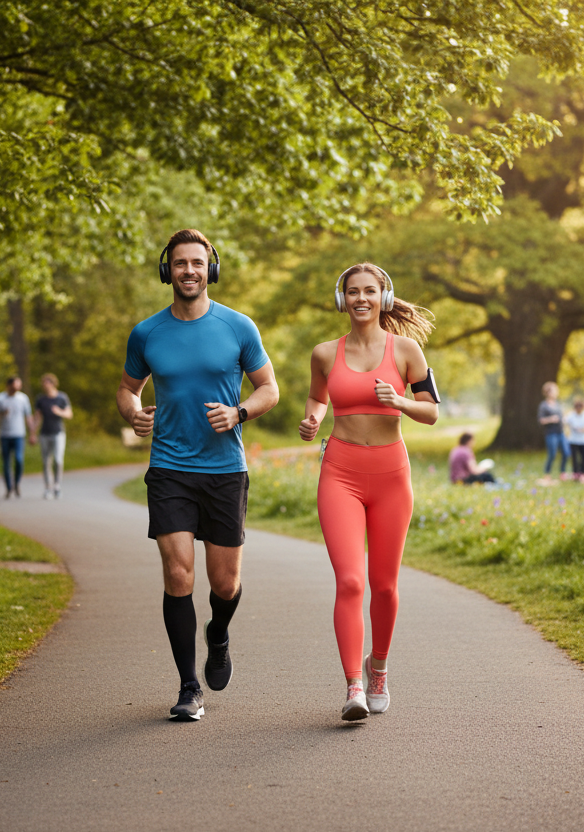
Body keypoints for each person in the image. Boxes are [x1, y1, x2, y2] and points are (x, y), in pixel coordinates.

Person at [116, 228, 279, 722]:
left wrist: (239, 413)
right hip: (169, 468)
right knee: (178, 573)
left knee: (224, 584)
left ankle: (218, 633)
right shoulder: (147, 333)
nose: (189, 270)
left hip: (225, 470)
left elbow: (269, 389)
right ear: (167, 270)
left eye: (197, 263)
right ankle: (189, 687)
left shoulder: (238, 327)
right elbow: (127, 389)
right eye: (180, 263)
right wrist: (133, 413)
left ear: (211, 269)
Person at [299, 263, 439, 721]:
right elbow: (318, 396)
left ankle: (377, 667)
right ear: (342, 299)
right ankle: (353, 687)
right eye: (353, 292)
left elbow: (432, 412)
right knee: (350, 581)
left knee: (384, 585)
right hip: (340, 473)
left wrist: (399, 401)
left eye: (369, 291)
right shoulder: (324, 353)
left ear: (384, 297)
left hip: (391, 477)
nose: (361, 299)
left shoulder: (406, 350)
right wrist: (313, 418)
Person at [0, 376, 35, 498]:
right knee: (6, 462)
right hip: (4, 435)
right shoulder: (0, 398)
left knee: (19, 459)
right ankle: (9, 488)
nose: (17, 388)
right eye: (15, 385)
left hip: (19, 434)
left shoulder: (23, 398)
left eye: (19, 385)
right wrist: (2, 413)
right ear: (9, 385)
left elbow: (28, 416)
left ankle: (17, 483)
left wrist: (32, 433)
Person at [32, 373, 73, 499]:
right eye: (43, 383)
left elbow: (69, 414)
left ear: (52, 383)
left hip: (58, 433)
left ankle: (57, 486)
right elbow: (37, 417)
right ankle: (47, 488)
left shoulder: (62, 397)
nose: (44, 385)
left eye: (46, 383)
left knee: (58, 460)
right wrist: (33, 433)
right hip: (44, 433)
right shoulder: (41, 399)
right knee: (46, 462)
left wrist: (59, 412)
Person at [538, 381, 569, 476]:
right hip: (551, 433)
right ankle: (547, 473)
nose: (556, 393)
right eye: (554, 391)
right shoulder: (544, 405)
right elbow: (541, 420)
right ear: (548, 392)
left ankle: (562, 472)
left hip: (561, 432)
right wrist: (551, 419)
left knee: (566, 452)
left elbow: (562, 417)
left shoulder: (558, 404)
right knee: (552, 454)